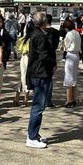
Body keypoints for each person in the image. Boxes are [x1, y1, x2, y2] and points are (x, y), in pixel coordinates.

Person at [25, 12, 56, 148]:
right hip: (40, 73)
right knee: (38, 106)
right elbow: (44, 55)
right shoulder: (39, 36)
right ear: (43, 22)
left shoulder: (38, 33)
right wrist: (53, 64)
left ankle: (34, 134)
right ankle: (32, 137)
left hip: (39, 72)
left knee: (39, 105)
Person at [63, 20, 81, 108]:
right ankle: (73, 98)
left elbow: (66, 45)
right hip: (77, 55)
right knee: (74, 77)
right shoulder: (77, 33)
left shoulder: (69, 34)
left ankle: (69, 100)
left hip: (71, 54)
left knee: (68, 77)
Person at [12, 27, 31, 107]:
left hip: (23, 58)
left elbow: (17, 47)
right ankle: (25, 99)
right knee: (25, 78)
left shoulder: (23, 39)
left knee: (22, 78)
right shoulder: (31, 40)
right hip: (28, 59)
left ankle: (17, 98)